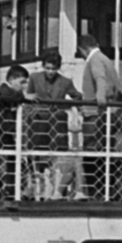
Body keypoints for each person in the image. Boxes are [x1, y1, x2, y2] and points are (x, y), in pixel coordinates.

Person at [26, 49, 81, 199]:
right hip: (38, 124)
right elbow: (28, 97)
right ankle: (37, 190)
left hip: (57, 125)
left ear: (58, 68)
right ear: (43, 66)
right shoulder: (34, 78)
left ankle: (54, 192)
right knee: (36, 159)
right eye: (48, 68)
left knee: (57, 160)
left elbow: (78, 97)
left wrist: (68, 107)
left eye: (53, 69)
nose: (50, 72)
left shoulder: (66, 82)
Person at [76, 34, 121, 200]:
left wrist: (99, 101)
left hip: (95, 115)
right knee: (105, 152)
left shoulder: (94, 60)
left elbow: (100, 79)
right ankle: (107, 191)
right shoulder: (106, 59)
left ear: (82, 49)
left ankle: (96, 193)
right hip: (109, 114)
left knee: (91, 153)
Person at [0, 64, 30, 199]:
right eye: (22, 82)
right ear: (12, 79)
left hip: (5, 133)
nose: (24, 86)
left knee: (11, 158)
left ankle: (9, 189)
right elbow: (6, 96)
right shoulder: (4, 88)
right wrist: (24, 97)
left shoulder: (9, 91)